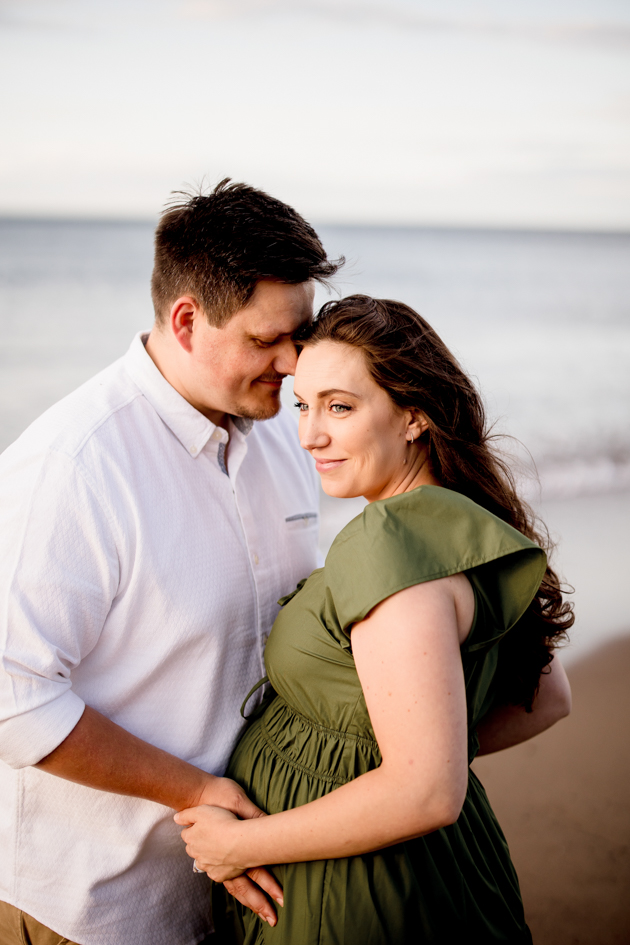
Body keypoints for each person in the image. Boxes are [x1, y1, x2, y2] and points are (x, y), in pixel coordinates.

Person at [0, 180, 342, 945]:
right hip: (94, 908)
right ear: (186, 320)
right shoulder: (73, 466)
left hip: (239, 889)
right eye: (266, 340)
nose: (292, 364)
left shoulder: (286, 433)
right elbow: (10, 698)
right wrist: (194, 790)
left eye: (301, 334)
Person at [176, 295, 574, 944]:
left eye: (340, 406)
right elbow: (548, 696)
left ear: (413, 414)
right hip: (424, 864)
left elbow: (426, 793)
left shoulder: (385, 542)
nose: (309, 434)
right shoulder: (463, 521)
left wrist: (242, 843)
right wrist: (417, 756)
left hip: (353, 890)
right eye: (303, 405)